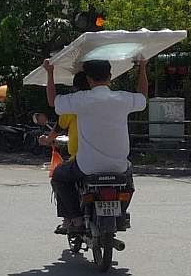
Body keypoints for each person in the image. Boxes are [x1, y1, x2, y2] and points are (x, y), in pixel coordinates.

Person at [43, 58, 148, 233]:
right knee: (128, 182)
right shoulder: (122, 98)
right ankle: (121, 215)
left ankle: (75, 219)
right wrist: (143, 67)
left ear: (89, 79)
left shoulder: (81, 99)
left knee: (59, 176)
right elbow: (143, 97)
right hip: (118, 166)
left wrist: (50, 72)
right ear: (111, 76)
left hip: (86, 166)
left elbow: (53, 101)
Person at [38, 71, 89, 160]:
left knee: (58, 173)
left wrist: (47, 140)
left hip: (79, 161)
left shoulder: (72, 105)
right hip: (110, 161)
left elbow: (58, 128)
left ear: (74, 88)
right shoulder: (108, 102)